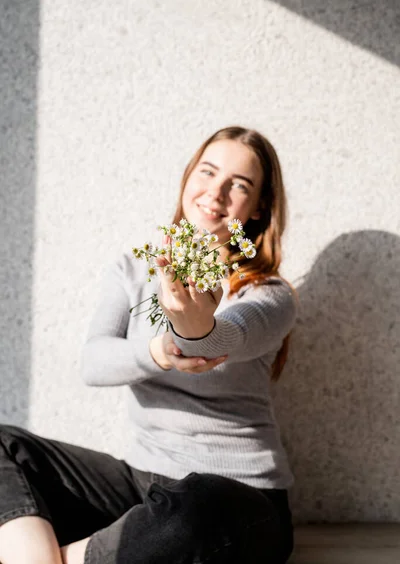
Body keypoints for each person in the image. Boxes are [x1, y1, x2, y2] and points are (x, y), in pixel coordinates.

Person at [0, 126, 298, 564]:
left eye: (239, 186)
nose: (215, 193)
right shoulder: (133, 268)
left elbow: (226, 335)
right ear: (187, 179)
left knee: (194, 508)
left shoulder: (268, 294)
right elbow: (93, 362)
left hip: (237, 498)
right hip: (142, 485)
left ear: (257, 210)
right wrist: (162, 350)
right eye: (208, 172)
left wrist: (193, 325)